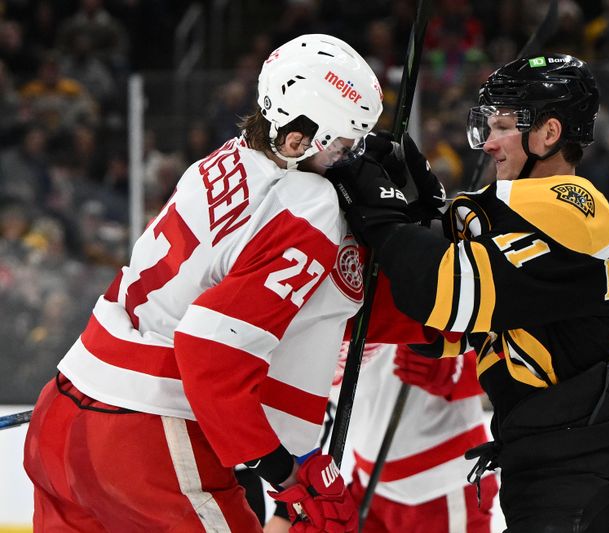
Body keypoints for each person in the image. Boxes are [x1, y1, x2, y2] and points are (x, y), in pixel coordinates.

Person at [22, 33, 384, 533]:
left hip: (61, 415)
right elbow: (209, 351)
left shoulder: (217, 163)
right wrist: (284, 472)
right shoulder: (308, 202)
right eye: (342, 146)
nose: (349, 161)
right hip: (147, 442)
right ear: (299, 139)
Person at [329, 53, 609, 532]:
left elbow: (447, 288)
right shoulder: (528, 211)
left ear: (548, 134)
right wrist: (417, 188)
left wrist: (385, 214)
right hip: (559, 462)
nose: (487, 144)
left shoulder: (573, 207)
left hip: (584, 469)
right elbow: (449, 321)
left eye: (502, 126)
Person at [263, 342, 499, 532]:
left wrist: (454, 366)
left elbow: (504, 347)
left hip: (441, 488)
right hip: (369, 485)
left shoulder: (411, 284)